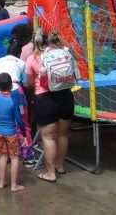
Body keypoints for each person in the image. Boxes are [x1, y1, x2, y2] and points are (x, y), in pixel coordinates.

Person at [25, 29, 75, 183]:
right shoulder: (63, 53)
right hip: (66, 96)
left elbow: (30, 84)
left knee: (48, 137)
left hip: (46, 100)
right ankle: (60, 166)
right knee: (62, 134)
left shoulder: (32, 58)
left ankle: (51, 173)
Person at [0, 43, 35, 167]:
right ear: (19, 53)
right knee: (22, 123)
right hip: (13, 89)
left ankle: (5, 154)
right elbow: (26, 84)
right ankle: (28, 156)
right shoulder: (21, 63)